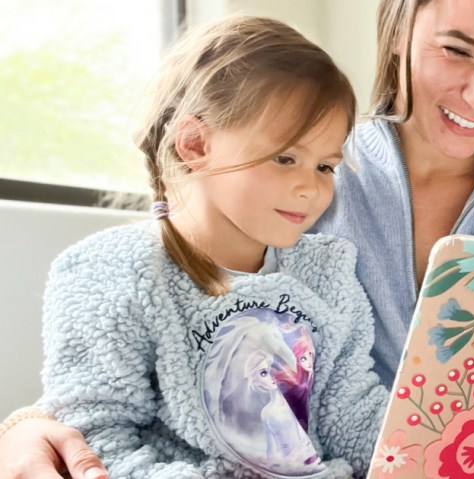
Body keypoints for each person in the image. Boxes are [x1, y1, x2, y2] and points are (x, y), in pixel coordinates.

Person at [0, 1, 474, 477]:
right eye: (457, 50)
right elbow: (112, 385)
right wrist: (24, 425)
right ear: (400, 31)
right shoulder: (288, 168)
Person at [0, 14, 386, 479]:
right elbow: (97, 437)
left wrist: (426, 452)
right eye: (285, 158)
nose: (311, 188)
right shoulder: (108, 270)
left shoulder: (327, 269)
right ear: (195, 143)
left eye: (325, 167)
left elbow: (353, 412)